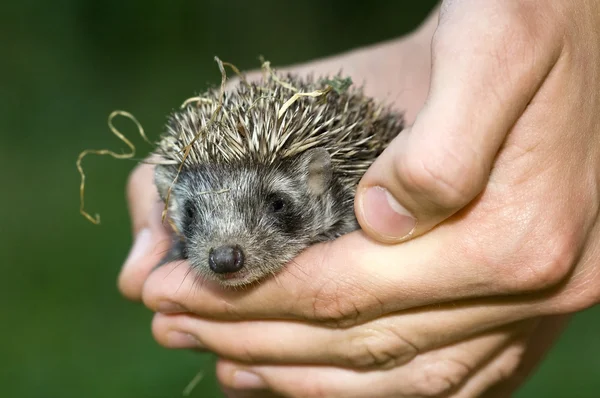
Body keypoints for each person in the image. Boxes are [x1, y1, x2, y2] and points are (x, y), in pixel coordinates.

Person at [118, 1, 600, 396]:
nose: (224, 253)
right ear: (172, 204)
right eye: (197, 215)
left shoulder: (364, 184)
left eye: (276, 205)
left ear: (318, 182)